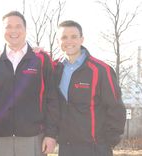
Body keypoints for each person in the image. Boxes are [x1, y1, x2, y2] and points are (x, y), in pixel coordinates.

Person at [0, 11, 59, 156]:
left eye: (18, 26)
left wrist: (51, 134)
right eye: (8, 27)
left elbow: (52, 99)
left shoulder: (41, 59)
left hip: (33, 138)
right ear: (2, 31)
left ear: (25, 30)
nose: (13, 31)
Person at [54, 20, 126, 156]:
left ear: (82, 39)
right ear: (58, 41)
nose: (69, 41)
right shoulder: (54, 69)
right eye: (64, 37)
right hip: (65, 147)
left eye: (74, 36)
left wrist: (108, 142)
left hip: (96, 148)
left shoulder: (101, 70)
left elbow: (116, 108)